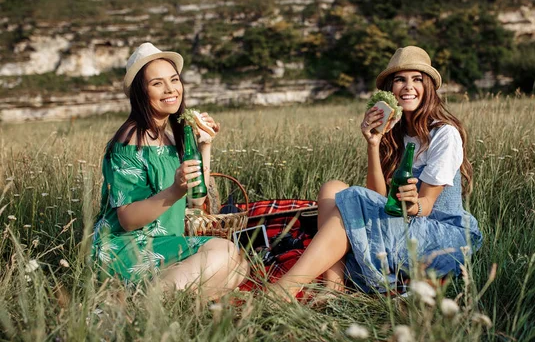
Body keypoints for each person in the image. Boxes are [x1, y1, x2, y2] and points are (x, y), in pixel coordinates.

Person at [273, 46, 483, 298]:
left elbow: (426, 206)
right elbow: (378, 198)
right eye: (400, 80)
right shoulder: (394, 133)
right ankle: (333, 284)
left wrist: (412, 204)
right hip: (405, 228)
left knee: (351, 199)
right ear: (390, 91)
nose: (408, 86)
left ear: (428, 88)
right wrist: (373, 143)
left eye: (417, 79)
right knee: (333, 188)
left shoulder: (443, 134)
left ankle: (284, 290)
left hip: (443, 236)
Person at [91, 42, 248, 299]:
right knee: (226, 254)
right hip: (126, 247)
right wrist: (175, 190)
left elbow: (197, 199)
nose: (170, 89)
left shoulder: (171, 138)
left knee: (240, 268)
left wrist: (204, 145)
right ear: (141, 93)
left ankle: (161, 299)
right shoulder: (130, 141)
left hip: (163, 244)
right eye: (157, 84)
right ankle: (141, 304)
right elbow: (128, 219)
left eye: (174, 80)